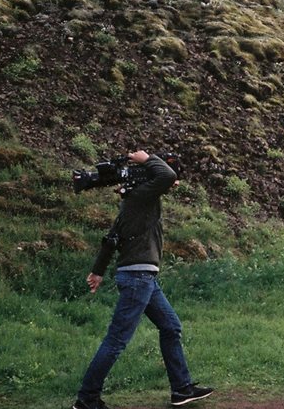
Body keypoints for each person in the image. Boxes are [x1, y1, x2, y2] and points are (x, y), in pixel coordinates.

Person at [73, 150, 213, 409]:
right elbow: (166, 174)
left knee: (171, 327)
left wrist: (98, 271)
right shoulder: (140, 197)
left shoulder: (134, 201)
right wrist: (147, 159)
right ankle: (87, 398)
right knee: (116, 340)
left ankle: (181, 389)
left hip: (143, 277)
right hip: (138, 277)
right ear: (147, 181)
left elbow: (111, 239)